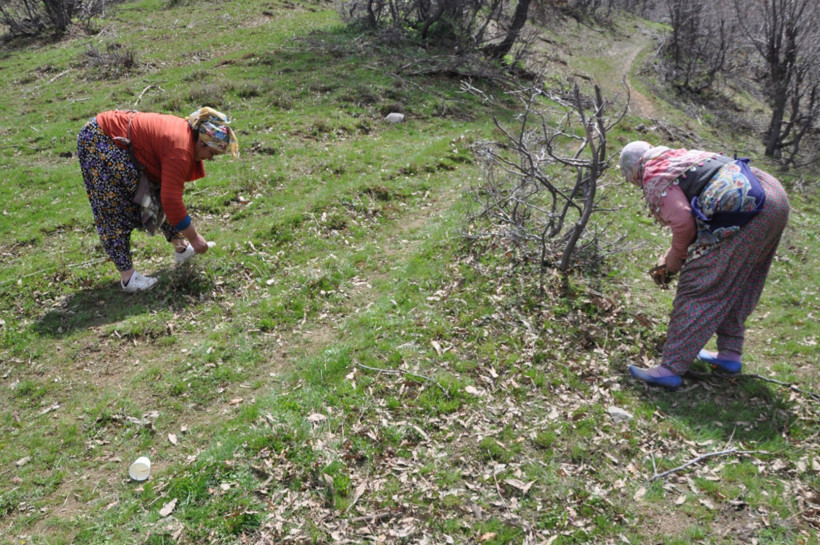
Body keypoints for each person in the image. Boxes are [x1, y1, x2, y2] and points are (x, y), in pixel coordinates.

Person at [619, 141, 789, 389]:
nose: (634, 185)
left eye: (630, 180)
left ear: (632, 171)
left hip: (746, 205)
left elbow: (683, 223)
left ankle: (670, 369)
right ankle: (729, 355)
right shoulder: (678, 158)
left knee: (698, 285)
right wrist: (674, 252)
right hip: (773, 198)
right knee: (738, 280)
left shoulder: (653, 174)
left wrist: (675, 259)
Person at [77, 107, 238, 292]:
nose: (210, 159)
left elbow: (168, 194)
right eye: (212, 153)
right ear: (201, 142)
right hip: (100, 140)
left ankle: (181, 248)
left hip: (118, 140)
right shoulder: (180, 148)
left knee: (157, 190)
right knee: (114, 206)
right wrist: (195, 238)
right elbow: (171, 201)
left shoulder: (185, 139)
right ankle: (128, 278)